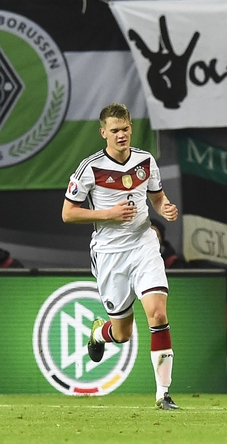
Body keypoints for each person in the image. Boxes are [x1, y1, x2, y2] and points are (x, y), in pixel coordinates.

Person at [62, 103, 180, 410]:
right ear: (103, 133)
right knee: (123, 333)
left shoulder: (146, 160)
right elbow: (68, 213)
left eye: (125, 128)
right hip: (110, 253)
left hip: (143, 243)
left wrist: (164, 208)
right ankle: (99, 333)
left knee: (157, 313)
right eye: (114, 130)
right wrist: (109, 214)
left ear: (130, 128)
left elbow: (156, 197)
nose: (121, 135)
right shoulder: (90, 168)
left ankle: (163, 394)